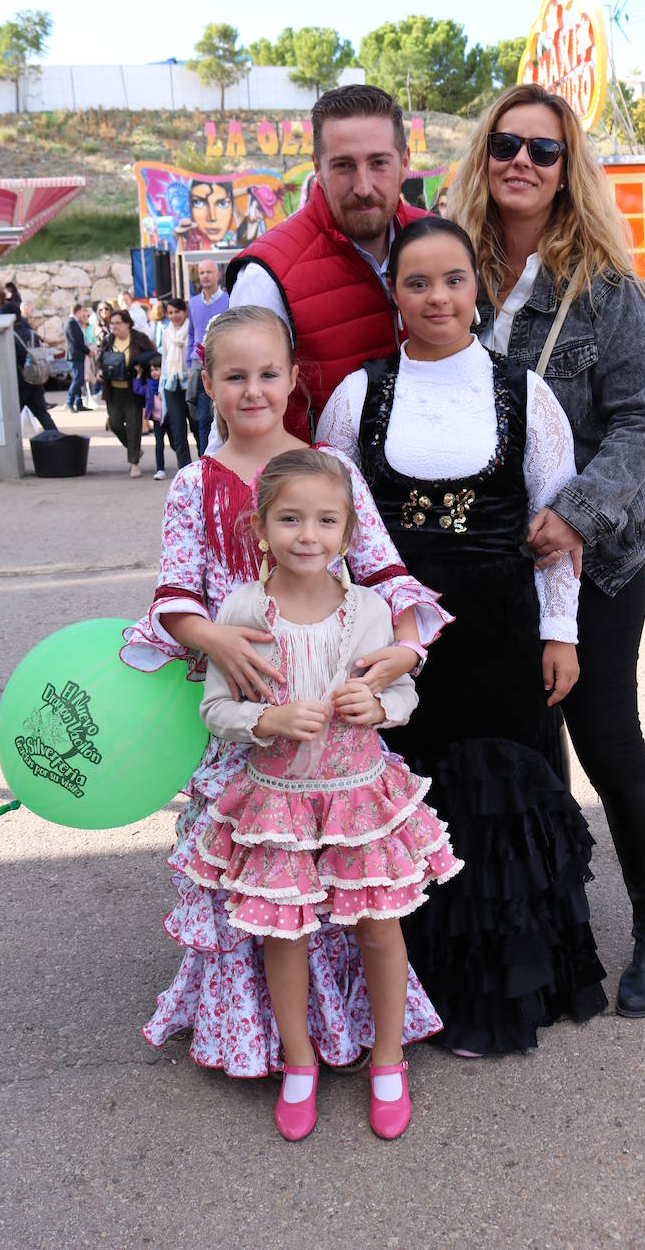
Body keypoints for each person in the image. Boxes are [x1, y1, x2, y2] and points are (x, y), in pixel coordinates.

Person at [119, 304, 452, 1080]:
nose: (253, 390)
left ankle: (364, 1039)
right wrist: (213, 640)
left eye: (269, 373)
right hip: (244, 714)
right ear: (206, 383)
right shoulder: (192, 483)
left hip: (331, 714)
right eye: (234, 376)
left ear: (294, 378)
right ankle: (270, 1043)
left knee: (344, 883)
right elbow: (174, 590)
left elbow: (381, 568)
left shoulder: (330, 469)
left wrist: (404, 652)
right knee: (262, 886)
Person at [318, 217, 607, 1055]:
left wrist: (562, 632)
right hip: (390, 643)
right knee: (397, 809)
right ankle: (400, 996)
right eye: (416, 282)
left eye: (452, 280)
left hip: (500, 638)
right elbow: (328, 526)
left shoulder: (525, 392)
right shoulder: (357, 397)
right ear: (394, 295)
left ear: (475, 287)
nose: (437, 297)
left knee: (496, 811)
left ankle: (492, 1000)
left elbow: (558, 527)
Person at [450, 82, 645, 1020]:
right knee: (523, 744)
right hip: (486, 564)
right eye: (506, 144)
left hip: (596, 561)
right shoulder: (446, 266)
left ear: (567, 166)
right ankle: (550, 920)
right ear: (483, 154)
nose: (521, 162)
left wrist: (578, 512)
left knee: (603, 733)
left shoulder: (608, 292)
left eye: (543, 150)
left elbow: (639, 422)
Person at [188, 449, 461, 1139]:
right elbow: (215, 707)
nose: (307, 535)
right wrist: (265, 720)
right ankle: (300, 1061)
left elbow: (400, 688)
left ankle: (389, 1059)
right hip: (275, 803)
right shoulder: (243, 608)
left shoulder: (370, 611)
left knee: (378, 929)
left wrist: (385, 707)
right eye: (290, 519)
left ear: (347, 534)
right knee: (285, 937)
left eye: (325, 521)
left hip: (356, 799)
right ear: (260, 529)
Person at [225, 84, 425, 439]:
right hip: (318, 491)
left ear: (405, 162)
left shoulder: (442, 245)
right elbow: (233, 428)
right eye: (344, 166)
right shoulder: (267, 276)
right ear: (318, 167)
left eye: (379, 163)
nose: (363, 186)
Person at [94, 308, 156, 477]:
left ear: (127, 323)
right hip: (112, 390)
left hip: (132, 389)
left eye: (117, 323)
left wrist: (141, 368)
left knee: (134, 426)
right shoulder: (108, 340)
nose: (114, 327)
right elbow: (99, 360)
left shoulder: (139, 339)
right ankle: (133, 449)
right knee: (114, 424)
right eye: (111, 323)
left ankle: (134, 463)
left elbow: (153, 357)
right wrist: (99, 371)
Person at [186, 259, 229, 454]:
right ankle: (206, 460)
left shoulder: (228, 300)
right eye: (201, 272)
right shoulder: (193, 303)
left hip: (223, 363)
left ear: (218, 274)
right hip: (199, 363)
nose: (205, 276)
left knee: (222, 414)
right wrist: (189, 362)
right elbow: (191, 333)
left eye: (209, 272)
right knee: (202, 416)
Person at [8, 300, 56, 433]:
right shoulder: (32, 334)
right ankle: (59, 444)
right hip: (36, 380)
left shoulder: (9, 337)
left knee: (10, 419)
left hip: (20, 384)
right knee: (43, 415)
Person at [156, 297, 191, 471]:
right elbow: (164, 360)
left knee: (197, 423)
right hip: (171, 384)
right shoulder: (166, 332)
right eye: (170, 312)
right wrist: (161, 387)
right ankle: (184, 469)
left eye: (177, 311)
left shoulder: (191, 329)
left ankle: (204, 466)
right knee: (177, 429)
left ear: (185, 312)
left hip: (190, 383)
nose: (174, 316)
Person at [133, 352, 172, 480]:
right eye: (152, 370)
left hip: (169, 418)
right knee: (159, 444)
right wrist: (138, 375)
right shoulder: (150, 385)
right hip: (156, 420)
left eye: (157, 369)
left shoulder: (167, 383)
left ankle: (184, 464)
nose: (154, 373)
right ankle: (160, 469)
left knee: (175, 443)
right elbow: (138, 389)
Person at [63, 302, 89, 413]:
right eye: (83, 311)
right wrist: (88, 351)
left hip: (77, 355)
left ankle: (78, 403)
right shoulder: (71, 323)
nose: (84, 314)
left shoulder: (73, 323)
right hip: (74, 356)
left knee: (78, 379)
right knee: (78, 380)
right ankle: (69, 402)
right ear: (78, 311)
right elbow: (77, 341)